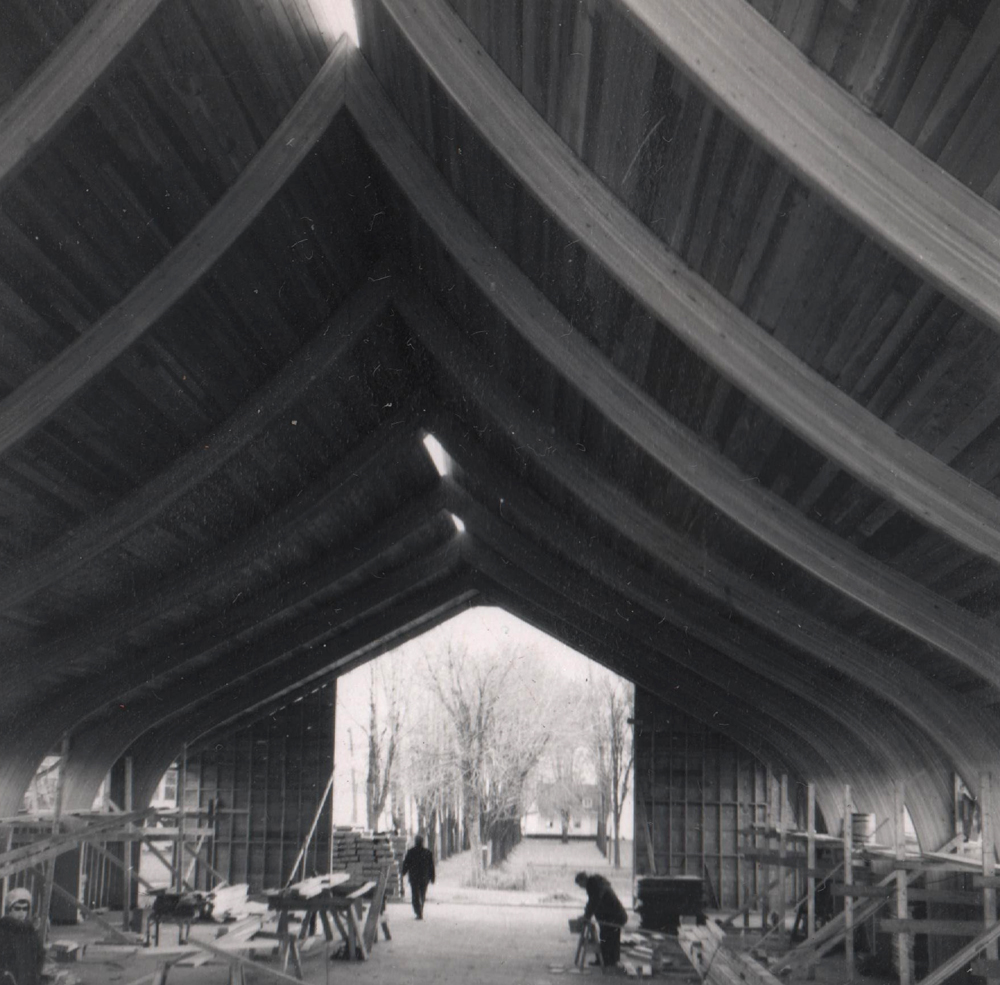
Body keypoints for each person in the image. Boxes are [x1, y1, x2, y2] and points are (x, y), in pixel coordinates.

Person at [575, 871, 628, 967]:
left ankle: (608, 961)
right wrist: (586, 914)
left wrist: (586, 916)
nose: (581, 887)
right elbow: (591, 902)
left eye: (580, 885)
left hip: (614, 916)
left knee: (609, 937)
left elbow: (594, 902)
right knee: (609, 937)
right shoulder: (596, 884)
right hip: (613, 915)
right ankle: (608, 960)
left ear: (583, 880)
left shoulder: (594, 885)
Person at [0, 888, 44, 985]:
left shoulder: (30, 930)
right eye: (17, 908)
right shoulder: (3, 929)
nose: (21, 912)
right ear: (9, 910)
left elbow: (40, 954)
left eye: (25, 908)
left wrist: (36, 973)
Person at [400, 834, 435, 920]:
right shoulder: (428, 852)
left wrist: (403, 872)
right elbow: (431, 866)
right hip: (424, 878)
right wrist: (432, 877)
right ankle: (420, 910)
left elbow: (406, 864)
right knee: (422, 894)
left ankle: (418, 912)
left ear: (415, 842)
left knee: (415, 895)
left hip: (414, 878)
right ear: (422, 842)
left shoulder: (411, 852)